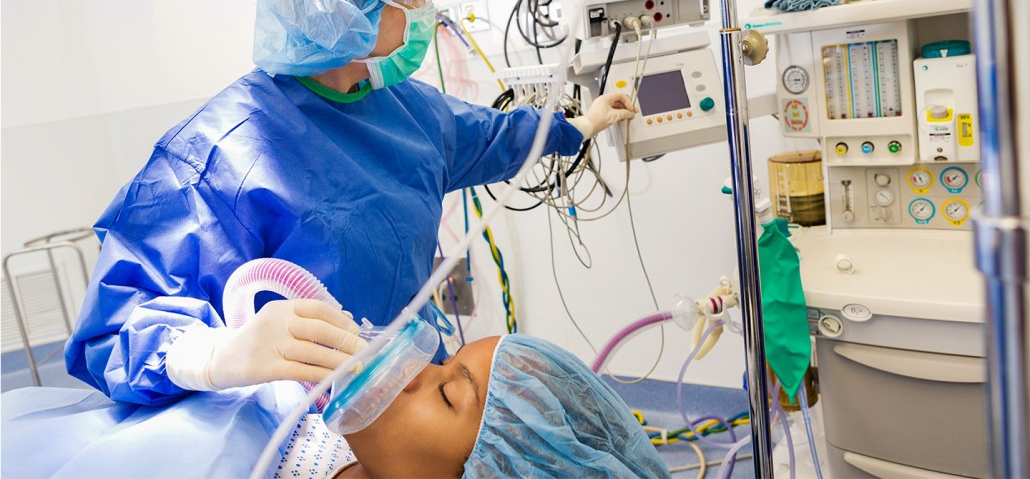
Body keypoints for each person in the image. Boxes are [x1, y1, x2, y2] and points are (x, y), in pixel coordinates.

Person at [64, 0, 637, 406]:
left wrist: (581, 124)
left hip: (410, 391)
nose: (426, 12)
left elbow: (494, 138)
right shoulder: (217, 158)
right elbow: (111, 332)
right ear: (349, 6)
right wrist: (219, 355)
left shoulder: (407, 110)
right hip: (299, 432)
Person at [5, 334, 670, 478]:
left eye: (445, 390)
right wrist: (198, 356)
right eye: (440, 361)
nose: (410, 373)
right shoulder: (303, 417)